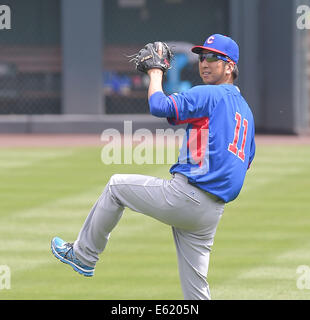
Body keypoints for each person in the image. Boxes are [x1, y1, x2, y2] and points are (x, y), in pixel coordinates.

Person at [51, 34, 256, 300]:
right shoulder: (246, 111)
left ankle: (84, 255)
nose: (204, 63)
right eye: (202, 57)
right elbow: (245, 161)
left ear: (230, 67)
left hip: (186, 197)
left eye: (214, 58)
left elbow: (159, 105)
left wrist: (156, 71)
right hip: (211, 214)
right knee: (196, 294)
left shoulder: (210, 94)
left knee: (115, 187)